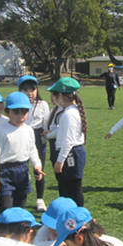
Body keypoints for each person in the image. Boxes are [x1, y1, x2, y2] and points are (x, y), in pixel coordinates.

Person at [0, 92, 45, 218]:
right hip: (6, 172)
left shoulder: (28, 129)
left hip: (22, 170)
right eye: (16, 112)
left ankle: (17, 233)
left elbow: (32, 149)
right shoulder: (1, 131)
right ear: (6, 112)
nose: (20, 116)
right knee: (5, 208)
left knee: (20, 207)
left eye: (24, 112)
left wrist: (37, 165)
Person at [49, 78, 87, 207]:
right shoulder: (71, 111)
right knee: (66, 189)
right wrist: (50, 134)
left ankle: (79, 219)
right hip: (71, 153)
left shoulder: (69, 114)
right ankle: (68, 217)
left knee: (73, 190)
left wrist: (60, 161)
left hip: (71, 154)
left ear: (60, 96)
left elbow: (68, 140)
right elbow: (63, 131)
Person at [18, 75, 51, 212]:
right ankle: (20, 199)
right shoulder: (17, 105)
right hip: (22, 136)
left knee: (39, 168)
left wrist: (47, 132)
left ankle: (40, 199)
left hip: (38, 136)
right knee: (21, 168)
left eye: (33, 89)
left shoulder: (43, 104)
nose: (30, 93)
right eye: (25, 89)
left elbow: (46, 121)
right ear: (20, 91)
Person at [44, 91, 66, 197]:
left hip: (61, 144)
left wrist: (49, 134)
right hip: (53, 144)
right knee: (59, 177)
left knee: (64, 177)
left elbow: (61, 130)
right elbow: (47, 121)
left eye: (54, 95)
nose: (51, 97)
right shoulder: (55, 109)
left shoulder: (65, 112)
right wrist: (46, 130)